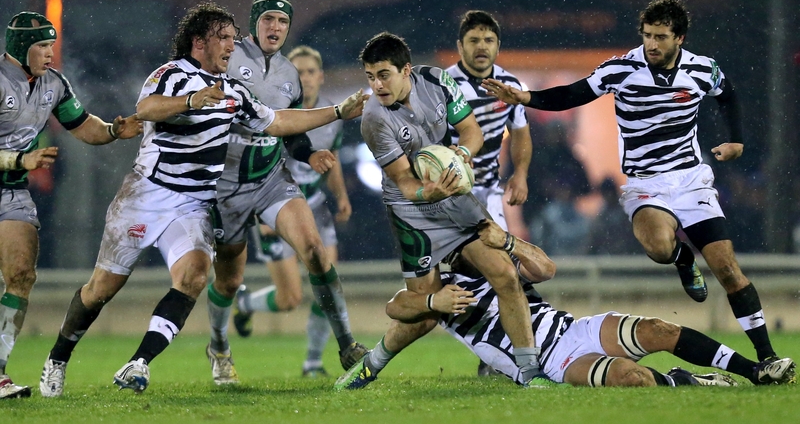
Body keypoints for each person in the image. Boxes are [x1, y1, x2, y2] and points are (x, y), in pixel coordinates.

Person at [38, 1, 366, 397]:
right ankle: (57, 359)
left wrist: (336, 111)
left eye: (232, 38)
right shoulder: (171, 74)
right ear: (198, 42)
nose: (231, 46)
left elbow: (278, 121)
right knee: (101, 290)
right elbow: (147, 109)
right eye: (223, 39)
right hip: (146, 195)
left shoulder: (232, 91)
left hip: (193, 203)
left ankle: (138, 363)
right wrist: (192, 102)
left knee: (194, 276)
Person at [482, 0, 783, 363]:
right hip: (645, 183)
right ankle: (682, 258)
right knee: (658, 247)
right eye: (647, 35)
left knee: (728, 270)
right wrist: (525, 96)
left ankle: (767, 357)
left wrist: (736, 139)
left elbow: (729, 95)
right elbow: (572, 94)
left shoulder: (703, 69)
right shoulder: (621, 69)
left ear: (680, 39)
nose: (651, 44)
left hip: (691, 181)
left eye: (660, 37)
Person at [336, 219, 796, 389]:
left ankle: (754, 371)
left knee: (659, 329)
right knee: (632, 378)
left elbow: (545, 269)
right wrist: (433, 299)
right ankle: (685, 381)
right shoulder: (437, 286)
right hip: (549, 362)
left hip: (569, 327)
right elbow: (398, 307)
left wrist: (508, 241)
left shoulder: (494, 259)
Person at [354, 31, 545, 386]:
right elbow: (404, 182)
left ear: (406, 70)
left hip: (454, 196)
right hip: (411, 211)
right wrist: (431, 190)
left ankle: (530, 372)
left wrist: (463, 155)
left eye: (383, 74)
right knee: (426, 312)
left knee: (505, 273)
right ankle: (369, 366)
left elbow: (471, 131)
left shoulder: (438, 81)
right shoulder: (373, 119)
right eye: (369, 76)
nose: (376, 85)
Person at [205, 0, 367, 386]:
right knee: (227, 279)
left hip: (271, 179)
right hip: (226, 186)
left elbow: (288, 133)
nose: (275, 28)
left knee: (314, 250)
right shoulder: (228, 57)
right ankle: (219, 346)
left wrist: (309, 155)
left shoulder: (289, 75)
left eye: (282, 22)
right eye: (268, 20)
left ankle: (347, 345)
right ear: (254, 22)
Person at [0, 11, 142, 399]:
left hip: (11, 192)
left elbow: (83, 125)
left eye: (51, 44)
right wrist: (18, 160)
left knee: (21, 274)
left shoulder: (54, 84)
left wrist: (114, 131)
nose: (50, 52)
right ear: (19, 48)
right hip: (12, 174)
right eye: (43, 46)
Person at [232, 44, 353, 378]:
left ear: (321, 76)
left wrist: (340, 195)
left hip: (314, 205)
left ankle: (313, 362)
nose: (306, 78)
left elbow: (333, 159)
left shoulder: (331, 117)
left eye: (311, 71)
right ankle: (245, 304)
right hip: (275, 207)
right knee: (290, 299)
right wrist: (262, 214)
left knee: (326, 283)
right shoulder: (272, 113)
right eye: (298, 72)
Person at [445, 10, 531, 231]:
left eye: (488, 40)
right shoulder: (441, 85)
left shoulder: (510, 85)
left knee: (501, 262)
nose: (482, 46)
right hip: (449, 191)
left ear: (498, 46)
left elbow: (520, 132)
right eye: (473, 40)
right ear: (460, 46)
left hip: (490, 189)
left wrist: (520, 174)